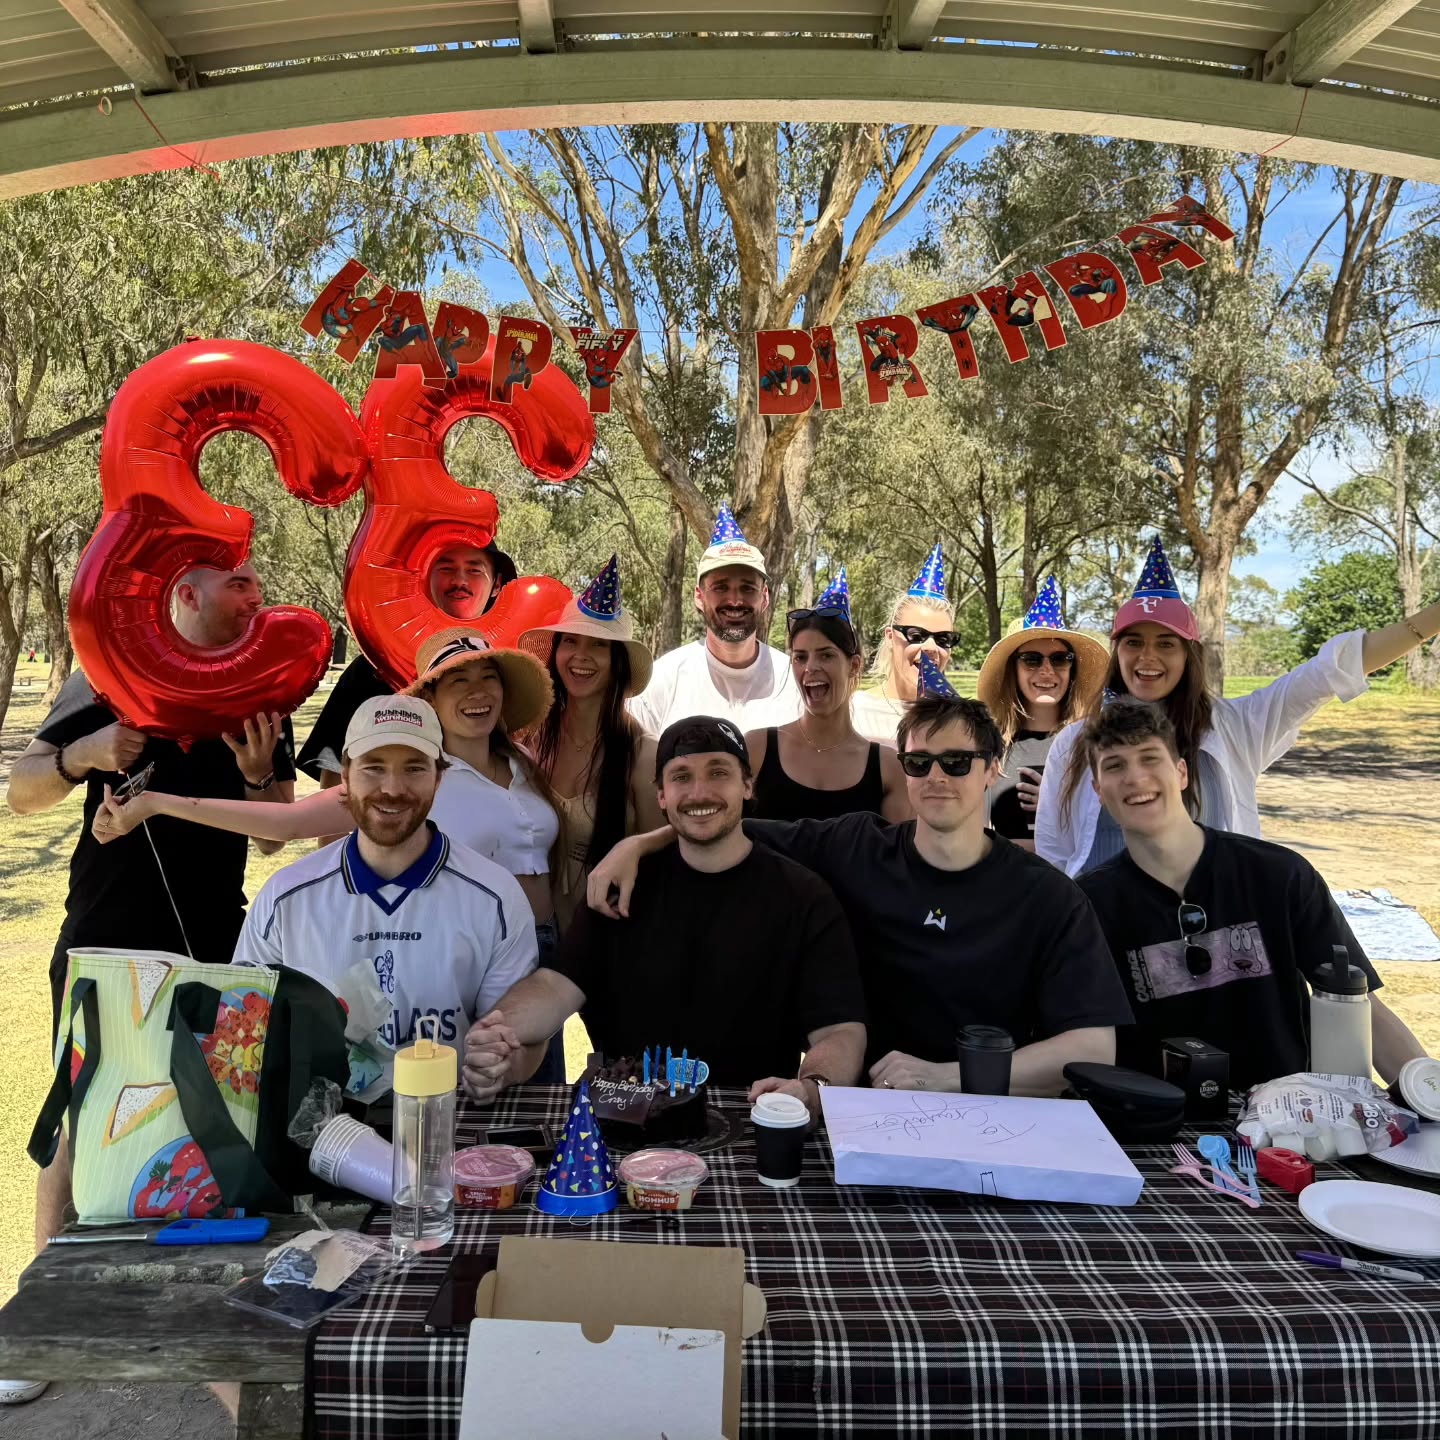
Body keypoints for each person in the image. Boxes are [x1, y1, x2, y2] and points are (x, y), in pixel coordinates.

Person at [4, 561, 297, 1403]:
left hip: (216, 945)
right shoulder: (107, 669)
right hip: (104, 937)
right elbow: (23, 793)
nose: (254, 594)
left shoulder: (257, 685)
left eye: (256, 581)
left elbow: (276, 825)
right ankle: (41, 1323)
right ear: (185, 594)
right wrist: (85, 754)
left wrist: (258, 774)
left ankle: (201, 1315)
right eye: (237, 582)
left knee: (215, 1124)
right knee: (80, 1123)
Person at [588, 677, 1132, 1094]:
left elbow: (1092, 1047)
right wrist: (639, 844)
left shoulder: (1047, 896)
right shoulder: (855, 846)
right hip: (866, 1107)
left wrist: (945, 1076)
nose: (936, 777)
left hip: (996, 1113)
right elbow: (724, 823)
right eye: (918, 762)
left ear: (992, 770)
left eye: (956, 762)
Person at [461, 716, 867, 1124]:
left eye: (718, 773)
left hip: (749, 1116)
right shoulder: (622, 887)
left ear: (747, 785)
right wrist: (496, 1033)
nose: (699, 792)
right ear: (661, 795)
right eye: (681, 777)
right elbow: (556, 986)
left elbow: (840, 1030)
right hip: (628, 1120)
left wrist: (813, 1087)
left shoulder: (803, 898)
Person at [1038, 535, 1440, 876]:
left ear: (1189, 655)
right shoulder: (1075, 742)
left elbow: (1331, 670)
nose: (1148, 657)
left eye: (1166, 643)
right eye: (1133, 642)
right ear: (1118, 652)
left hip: (1217, 922)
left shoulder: (1239, 725)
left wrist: (1431, 619)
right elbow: (1055, 850)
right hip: (1103, 925)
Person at [1074, 701, 1426, 1087]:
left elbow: (1363, 1006)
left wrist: (1427, 1095)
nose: (1135, 777)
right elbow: (1082, 1040)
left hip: (1288, 1112)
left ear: (1181, 772)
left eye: (1149, 758)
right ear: (1098, 791)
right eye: (1115, 766)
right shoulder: (1088, 906)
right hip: (1159, 1117)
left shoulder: (1279, 875)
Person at [234, 695, 537, 1052]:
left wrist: (501, 1061)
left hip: (450, 1090)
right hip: (318, 1093)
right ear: (345, 775)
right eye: (374, 768)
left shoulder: (496, 896)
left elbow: (517, 1044)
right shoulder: (285, 898)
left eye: (414, 768)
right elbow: (242, 1035)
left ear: (439, 778)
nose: (392, 789)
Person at [519, 555, 665, 930]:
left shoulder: (643, 754)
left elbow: (660, 862)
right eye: (570, 641)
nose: (580, 656)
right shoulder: (529, 738)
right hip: (526, 935)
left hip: (606, 938)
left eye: (598, 645)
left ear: (618, 662)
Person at [295, 539, 517, 785]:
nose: (459, 581)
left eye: (474, 569)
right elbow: (334, 784)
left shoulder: (514, 669)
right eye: (445, 568)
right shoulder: (375, 669)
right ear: (424, 577)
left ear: (497, 584)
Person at [745, 568, 910, 822]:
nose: (810, 667)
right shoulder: (757, 749)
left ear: (854, 665)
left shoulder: (888, 769)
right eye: (800, 657)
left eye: (826, 655)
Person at [627, 504, 800, 736]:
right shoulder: (662, 682)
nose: (735, 601)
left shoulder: (793, 680)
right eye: (720, 587)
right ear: (699, 597)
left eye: (748, 588)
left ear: (765, 597)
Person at [974, 576, 1107, 850]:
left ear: (1072, 670)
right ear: (1014, 669)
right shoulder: (988, 744)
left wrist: (1061, 807)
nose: (1047, 670)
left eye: (1059, 659)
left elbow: (1107, 835)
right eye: (1032, 659)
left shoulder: (1092, 744)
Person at [851, 542, 959, 745]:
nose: (931, 648)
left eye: (943, 639)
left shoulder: (961, 721)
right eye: (916, 636)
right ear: (890, 637)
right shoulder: (853, 713)